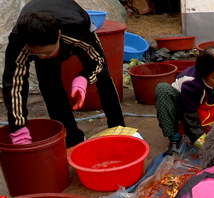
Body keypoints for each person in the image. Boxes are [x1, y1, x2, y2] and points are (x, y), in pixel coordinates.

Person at [3, 0, 125, 148]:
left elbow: (97, 62)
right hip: (39, 33)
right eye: (37, 54)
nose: (43, 57)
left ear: (59, 35)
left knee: (104, 78)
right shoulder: (19, 39)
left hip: (70, 19)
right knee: (50, 87)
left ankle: (119, 129)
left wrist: (84, 78)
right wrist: (18, 127)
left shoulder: (78, 29)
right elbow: (14, 84)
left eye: (47, 52)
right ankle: (72, 140)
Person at [154, 46, 214, 156]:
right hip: (186, 114)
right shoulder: (190, 83)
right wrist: (208, 147)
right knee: (162, 89)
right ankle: (175, 141)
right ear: (204, 74)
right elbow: (190, 119)